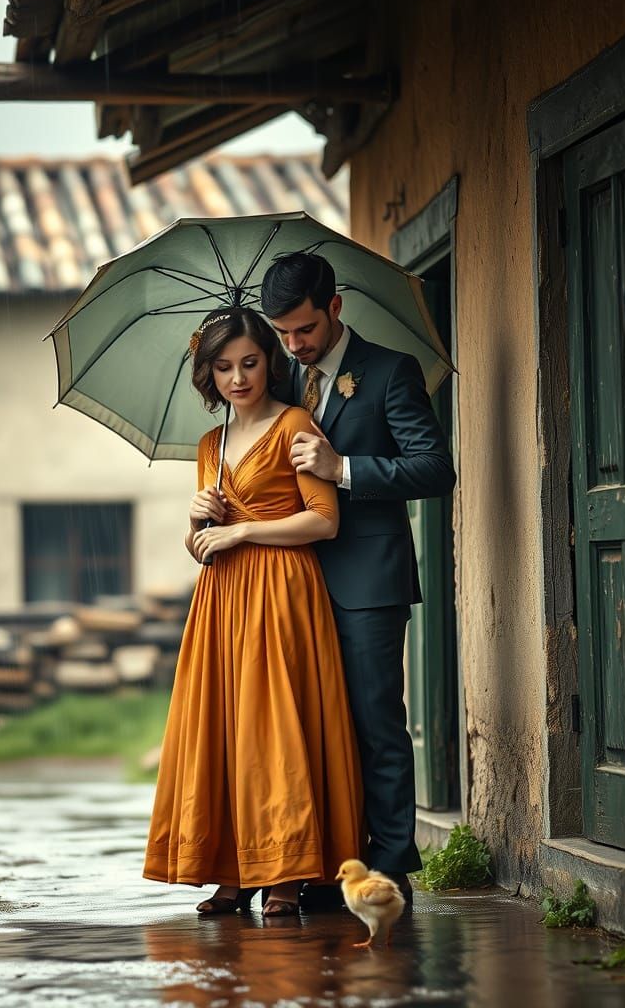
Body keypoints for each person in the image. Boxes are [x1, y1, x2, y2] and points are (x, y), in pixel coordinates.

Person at [143, 305, 364, 917]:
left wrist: (244, 533)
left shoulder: (296, 424)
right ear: (207, 374)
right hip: (222, 601)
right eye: (224, 367)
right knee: (226, 726)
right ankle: (234, 870)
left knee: (274, 726)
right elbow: (202, 548)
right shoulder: (209, 445)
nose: (238, 378)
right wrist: (196, 524)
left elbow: (324, 520)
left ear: (270, 360)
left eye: (249, 362)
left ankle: (287, 871)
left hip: (283, 592)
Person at [260, 251, 456, 907]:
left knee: (375, 719)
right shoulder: (279, 380)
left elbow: (434, 469)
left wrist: (344, 467)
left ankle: (391, 863)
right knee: (312, 723)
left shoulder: (390, 373)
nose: (294, 344)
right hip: (294, 578)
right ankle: (324, 862)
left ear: (335, 307)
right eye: (283, 333)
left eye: (304, 329)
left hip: (369, 578)